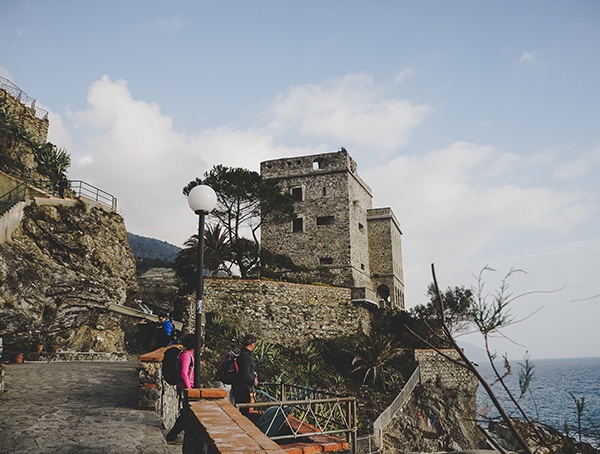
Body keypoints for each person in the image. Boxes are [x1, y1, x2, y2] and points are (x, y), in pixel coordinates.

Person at [165, 334, 195, 442]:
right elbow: (183, 373)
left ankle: (173, 435)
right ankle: (172, 436)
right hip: (185, 388)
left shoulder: (187, 355)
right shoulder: (186, 356)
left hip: (186, 387)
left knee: (186, 413)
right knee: (186, 413)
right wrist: (189, 389)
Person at [231, 334, 258, 416]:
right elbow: (244, 374)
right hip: (242, 389)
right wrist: (253, 380)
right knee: (243, 413)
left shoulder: (241, 354)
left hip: (238, 387)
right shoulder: (246, 357)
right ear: (252, 344)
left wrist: (252, 373)